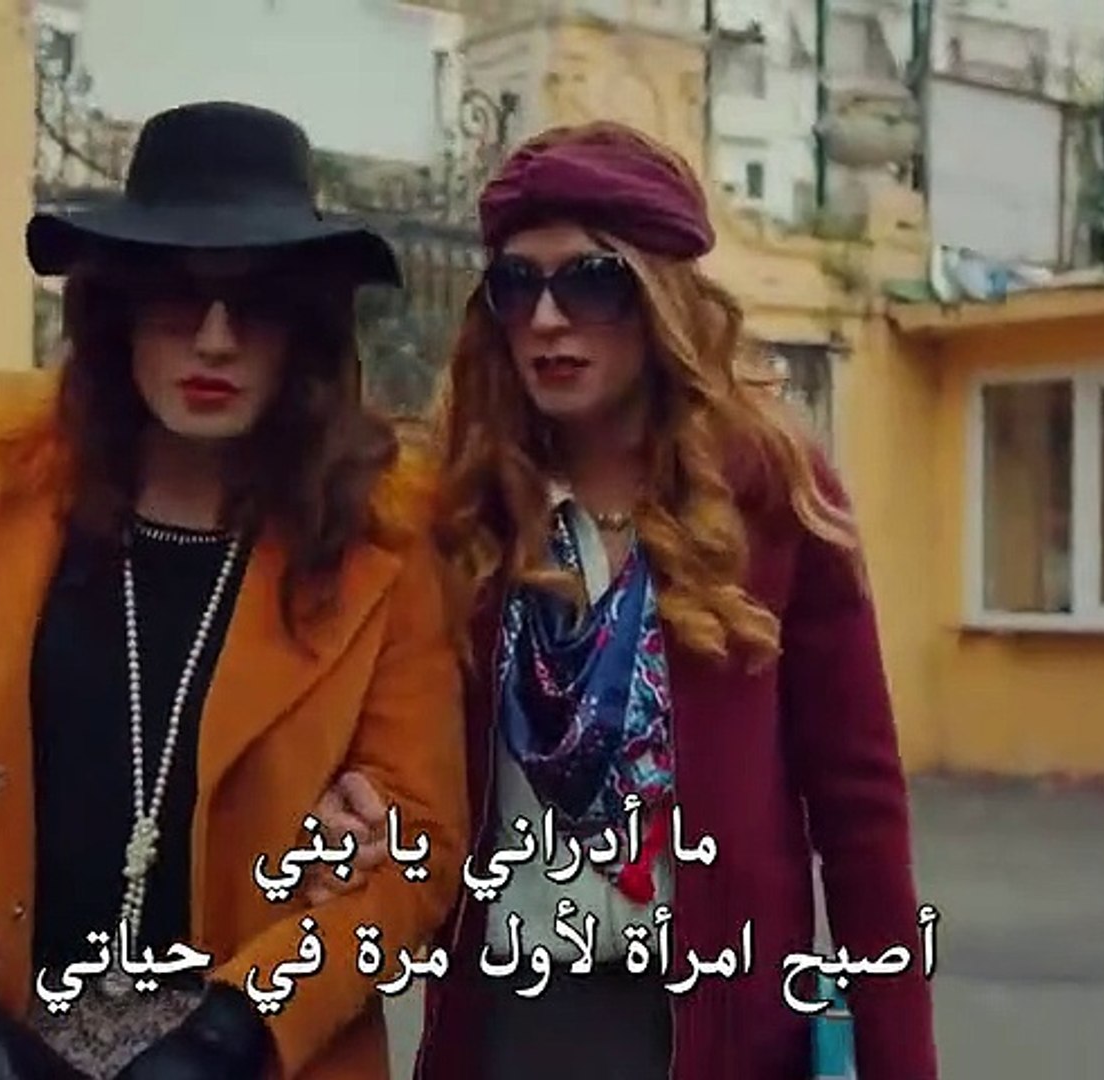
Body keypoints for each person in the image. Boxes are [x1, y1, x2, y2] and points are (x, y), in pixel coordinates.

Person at [0, 101, 468, 1080]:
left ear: (303, 333)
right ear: (119, 312)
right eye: (177, 296)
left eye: (255, 305)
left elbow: (417, 851)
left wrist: (237, 1032)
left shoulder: (377, 559)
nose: (214, 340)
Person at [307, 121, 939, 1079]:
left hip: (719, 1035)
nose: (547, 319)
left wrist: (901, 1064)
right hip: (511, 1021)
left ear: (659, 297)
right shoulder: (461, 510)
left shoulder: (772, 497)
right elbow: (381, 736)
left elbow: (860, 813)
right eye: (517, 285)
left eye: (590, 282)